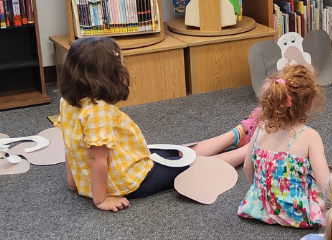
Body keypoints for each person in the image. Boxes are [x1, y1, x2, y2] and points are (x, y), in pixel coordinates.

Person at [56, 36, 256, 212]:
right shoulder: (98, 110)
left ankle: (237, 134)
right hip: (129, 181)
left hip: (127, 162)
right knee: (193, 167)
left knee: (180, 152)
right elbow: (98, 159)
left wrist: (74, 182)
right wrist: (101, 200)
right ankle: (253, 147)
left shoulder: (67, 102)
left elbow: (69, 145)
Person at [238, 66, 330, 228]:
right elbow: (325, 184)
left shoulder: (260, 128)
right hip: (297, 212)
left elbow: (247, 167)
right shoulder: (310, 136)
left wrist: (261, 193)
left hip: (260, 208)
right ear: (310, 103)